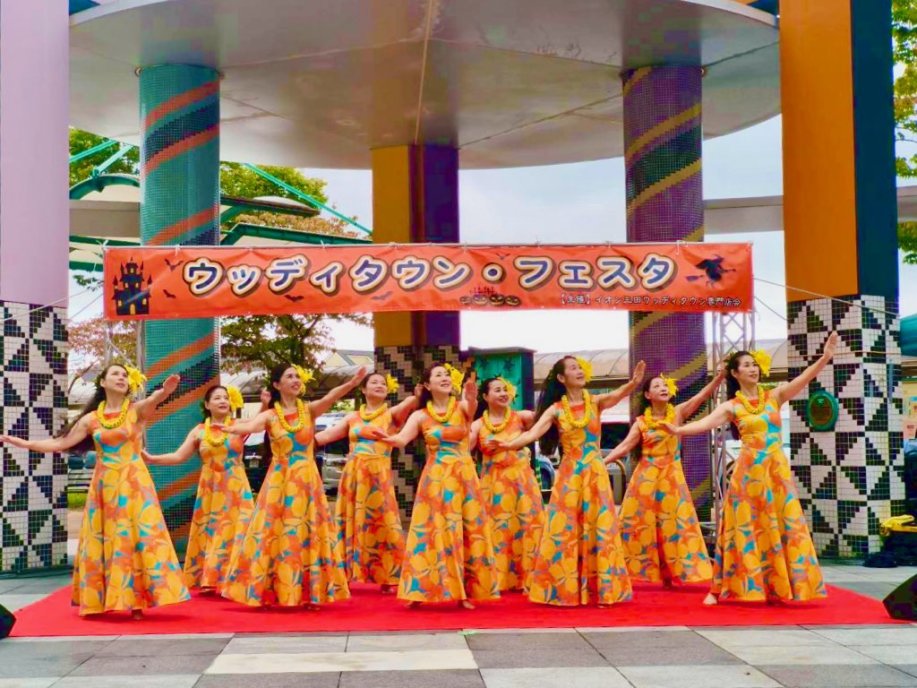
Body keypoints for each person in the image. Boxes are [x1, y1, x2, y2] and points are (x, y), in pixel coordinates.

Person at [0, 363, 188, 617]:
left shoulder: (136, 410)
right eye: (115, 374)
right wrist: (24, 443)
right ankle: (109, 598)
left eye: (124, 375)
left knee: (135, 536)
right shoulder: (91, 419)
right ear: (103, 382)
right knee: (109, 537)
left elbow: (154, 399)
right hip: (105, 485)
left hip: (133, 483)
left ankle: (137, 600)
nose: (121, 378)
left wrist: (165, 391)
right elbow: (60, 443)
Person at [666, 332, 838, 605]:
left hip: (776, 472)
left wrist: (825, 357)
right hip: (748, 473)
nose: (753, 369)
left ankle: (780, 585)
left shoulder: (774, 396)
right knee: (743, 526)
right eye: (746, 365)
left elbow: (803, 379)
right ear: (735, 373)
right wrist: (678, 430)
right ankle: (720, 588)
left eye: (754, 364)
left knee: (782, 524)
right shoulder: (732, 406)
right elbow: (706, 423)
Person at [499, 356, 645, 606]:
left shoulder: (595, 401)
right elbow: (533, 433)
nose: (579, 371)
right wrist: (508, 445)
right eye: (573, 368)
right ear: (561, 378)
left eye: (580, 367)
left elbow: (617, 395)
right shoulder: (556, 409)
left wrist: (633, 383)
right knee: (566, 529)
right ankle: (564, 589)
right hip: (570, 475)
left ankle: (601, 589)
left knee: (599, 527)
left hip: (595, 473)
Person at [220, 363, 367, 608]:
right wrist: (231, 427)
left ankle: (310, 591)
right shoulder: (271, 415)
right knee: (275, 533)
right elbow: (251, 426)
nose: (296, 380)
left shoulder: (308, 410)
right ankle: (272, 589)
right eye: (289, 377)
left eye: (297, 376)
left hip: (307, 481)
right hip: (280, 482)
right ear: (277, 385)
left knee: (308, 532)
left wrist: (352, 384)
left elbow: (331, 397)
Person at [382, 364, 499, 608]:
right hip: (435, 478)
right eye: (438, 375)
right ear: (427, 385)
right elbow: (401, 439)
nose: (445, 378)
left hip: (463, 476)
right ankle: (420, 591)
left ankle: (463, 592)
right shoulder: (420, 415)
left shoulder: (462, 407)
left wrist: (471, 395)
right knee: (431, 530)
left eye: (447, 375)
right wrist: (384, 438)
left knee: (465, 529)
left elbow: (472, 406)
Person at [604, 366, 725, 587]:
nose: (663, 388)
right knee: (643, 524)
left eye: (665, 385)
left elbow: (701, 396)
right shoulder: (641, 422)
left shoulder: (677, 413)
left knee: (675, 524)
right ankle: (642, 572)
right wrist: (603, 462)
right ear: (647, 395)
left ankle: (676, 571)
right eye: (657, 386)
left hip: (671, 477)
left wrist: (719, 378)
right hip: (646, 479)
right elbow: (625, 446)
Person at [142, 385, 256, 592]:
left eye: (225, 398)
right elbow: (178, 456)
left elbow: (259, 425)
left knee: (239, 529)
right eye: (217, 398)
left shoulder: (238, 425)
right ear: (207, 405)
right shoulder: (199, 431)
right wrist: (152, 459)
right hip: (210, 489)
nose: (223, 401)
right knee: (214, 530)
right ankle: (211, 578)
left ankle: (238, 578)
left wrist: (265, 403)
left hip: (236, 488)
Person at [314, 371, 419, 592]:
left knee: (383, 522)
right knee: (350, 521)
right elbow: (327, 435)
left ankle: (389, 575)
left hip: (378, 475)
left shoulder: (391, 415)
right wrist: (301, 439)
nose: (379, 385)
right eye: (374, 382)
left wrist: (417, 396)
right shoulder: (352, 417)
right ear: (363, 389)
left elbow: (409, 403)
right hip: (354, 475)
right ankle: (344, 574)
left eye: (383, 383)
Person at [469, 377, 545, 592]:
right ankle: (498, 579)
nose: (503, 394)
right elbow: (463, 449)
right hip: (494, 485)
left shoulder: (522, 417)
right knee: (498, 530)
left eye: (505, 389)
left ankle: (531, 578)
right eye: (497, 390)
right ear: (485, 396)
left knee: (528, 526)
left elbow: (548, 419)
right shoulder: (478, 425)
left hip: (522, 482)